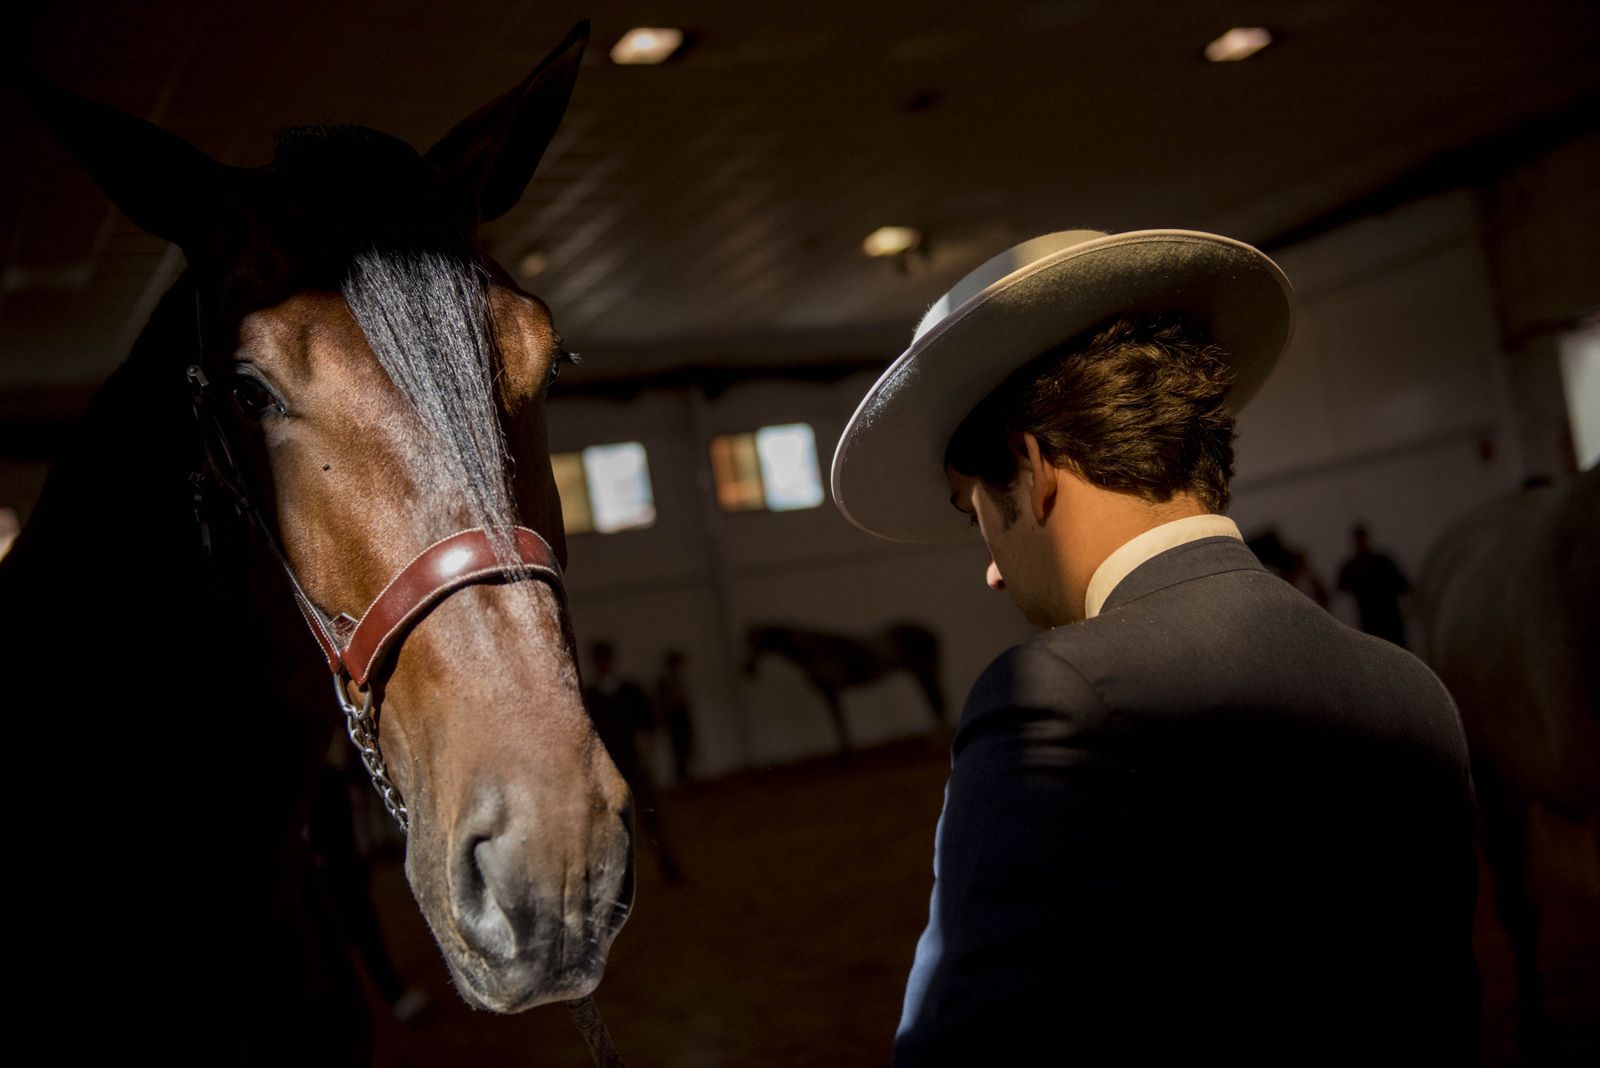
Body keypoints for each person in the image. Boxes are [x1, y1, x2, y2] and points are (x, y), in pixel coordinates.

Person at [830, 230, 1479, 1064]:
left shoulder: (1057, 693)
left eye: (976, 516)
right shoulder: (1412, 688)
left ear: (1033, 469)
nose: (992, 570)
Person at [1338, 521, 1411, 645]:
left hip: (1389, 617)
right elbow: (1341, 586)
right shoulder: (1353, 566)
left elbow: (1402, 584)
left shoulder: (1381, 561)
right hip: (1371, 620)